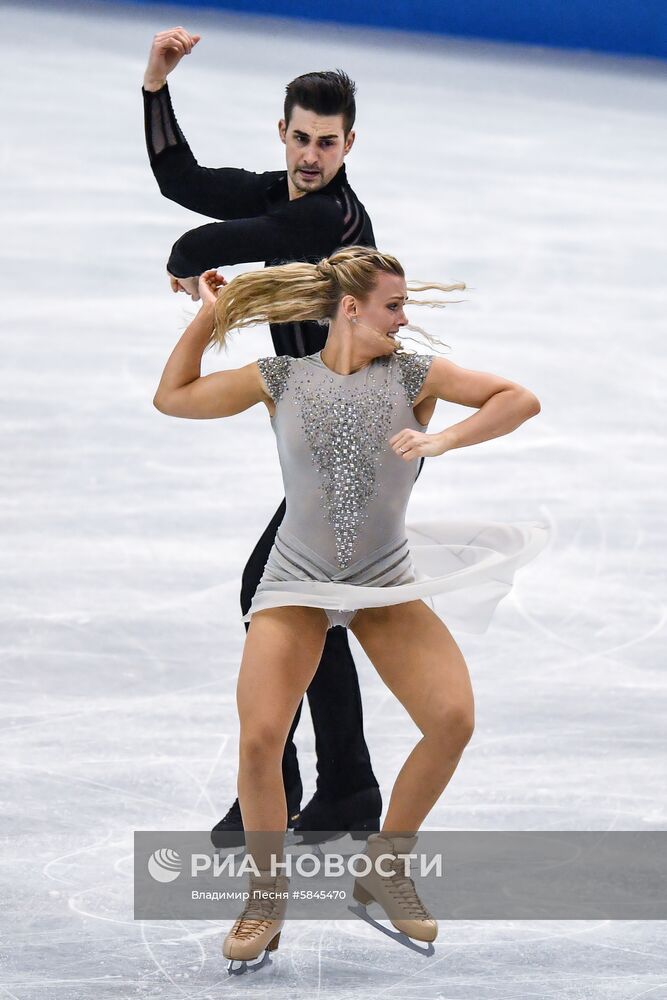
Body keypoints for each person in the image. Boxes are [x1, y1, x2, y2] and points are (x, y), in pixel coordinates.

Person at [152, 245, 547, 963]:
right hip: (297, 581)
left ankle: (384, 867)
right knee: (260, 738)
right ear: (351, 308)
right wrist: (211, 317)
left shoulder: (412, 374)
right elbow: (172, 397)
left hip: (382, 583)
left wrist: (444, 436)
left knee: (452, 719)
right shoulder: (281, 378)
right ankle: (264, 902)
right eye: (394, 306)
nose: (404, 318)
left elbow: (518, 397)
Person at [142, 26, 386, 843]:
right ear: (281, 133)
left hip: (355, 444)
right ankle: (344, 786)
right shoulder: (285, 196)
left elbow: (204, 243)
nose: (312, 154)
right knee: (291, 604)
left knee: (270, 597)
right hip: (322, 443)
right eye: (301, 138)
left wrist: (186, 265)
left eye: (327, 141)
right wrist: (156, 84)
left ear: (348, 143)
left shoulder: (328, 217)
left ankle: (289, 791)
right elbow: (182, 182)